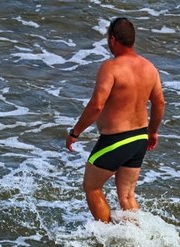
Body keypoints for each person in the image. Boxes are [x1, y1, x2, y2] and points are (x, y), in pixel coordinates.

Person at [65, 17, 166, 223]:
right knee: (127, 196)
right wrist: (153, 132)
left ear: (113, 40)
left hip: (116, 140)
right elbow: (159, 103)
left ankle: (106, 240)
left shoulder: (111, 68)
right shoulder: (149, 68)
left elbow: (97, 105)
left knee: (92, 187)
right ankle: (137, 241)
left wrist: (75, 133)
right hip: (139, 138)